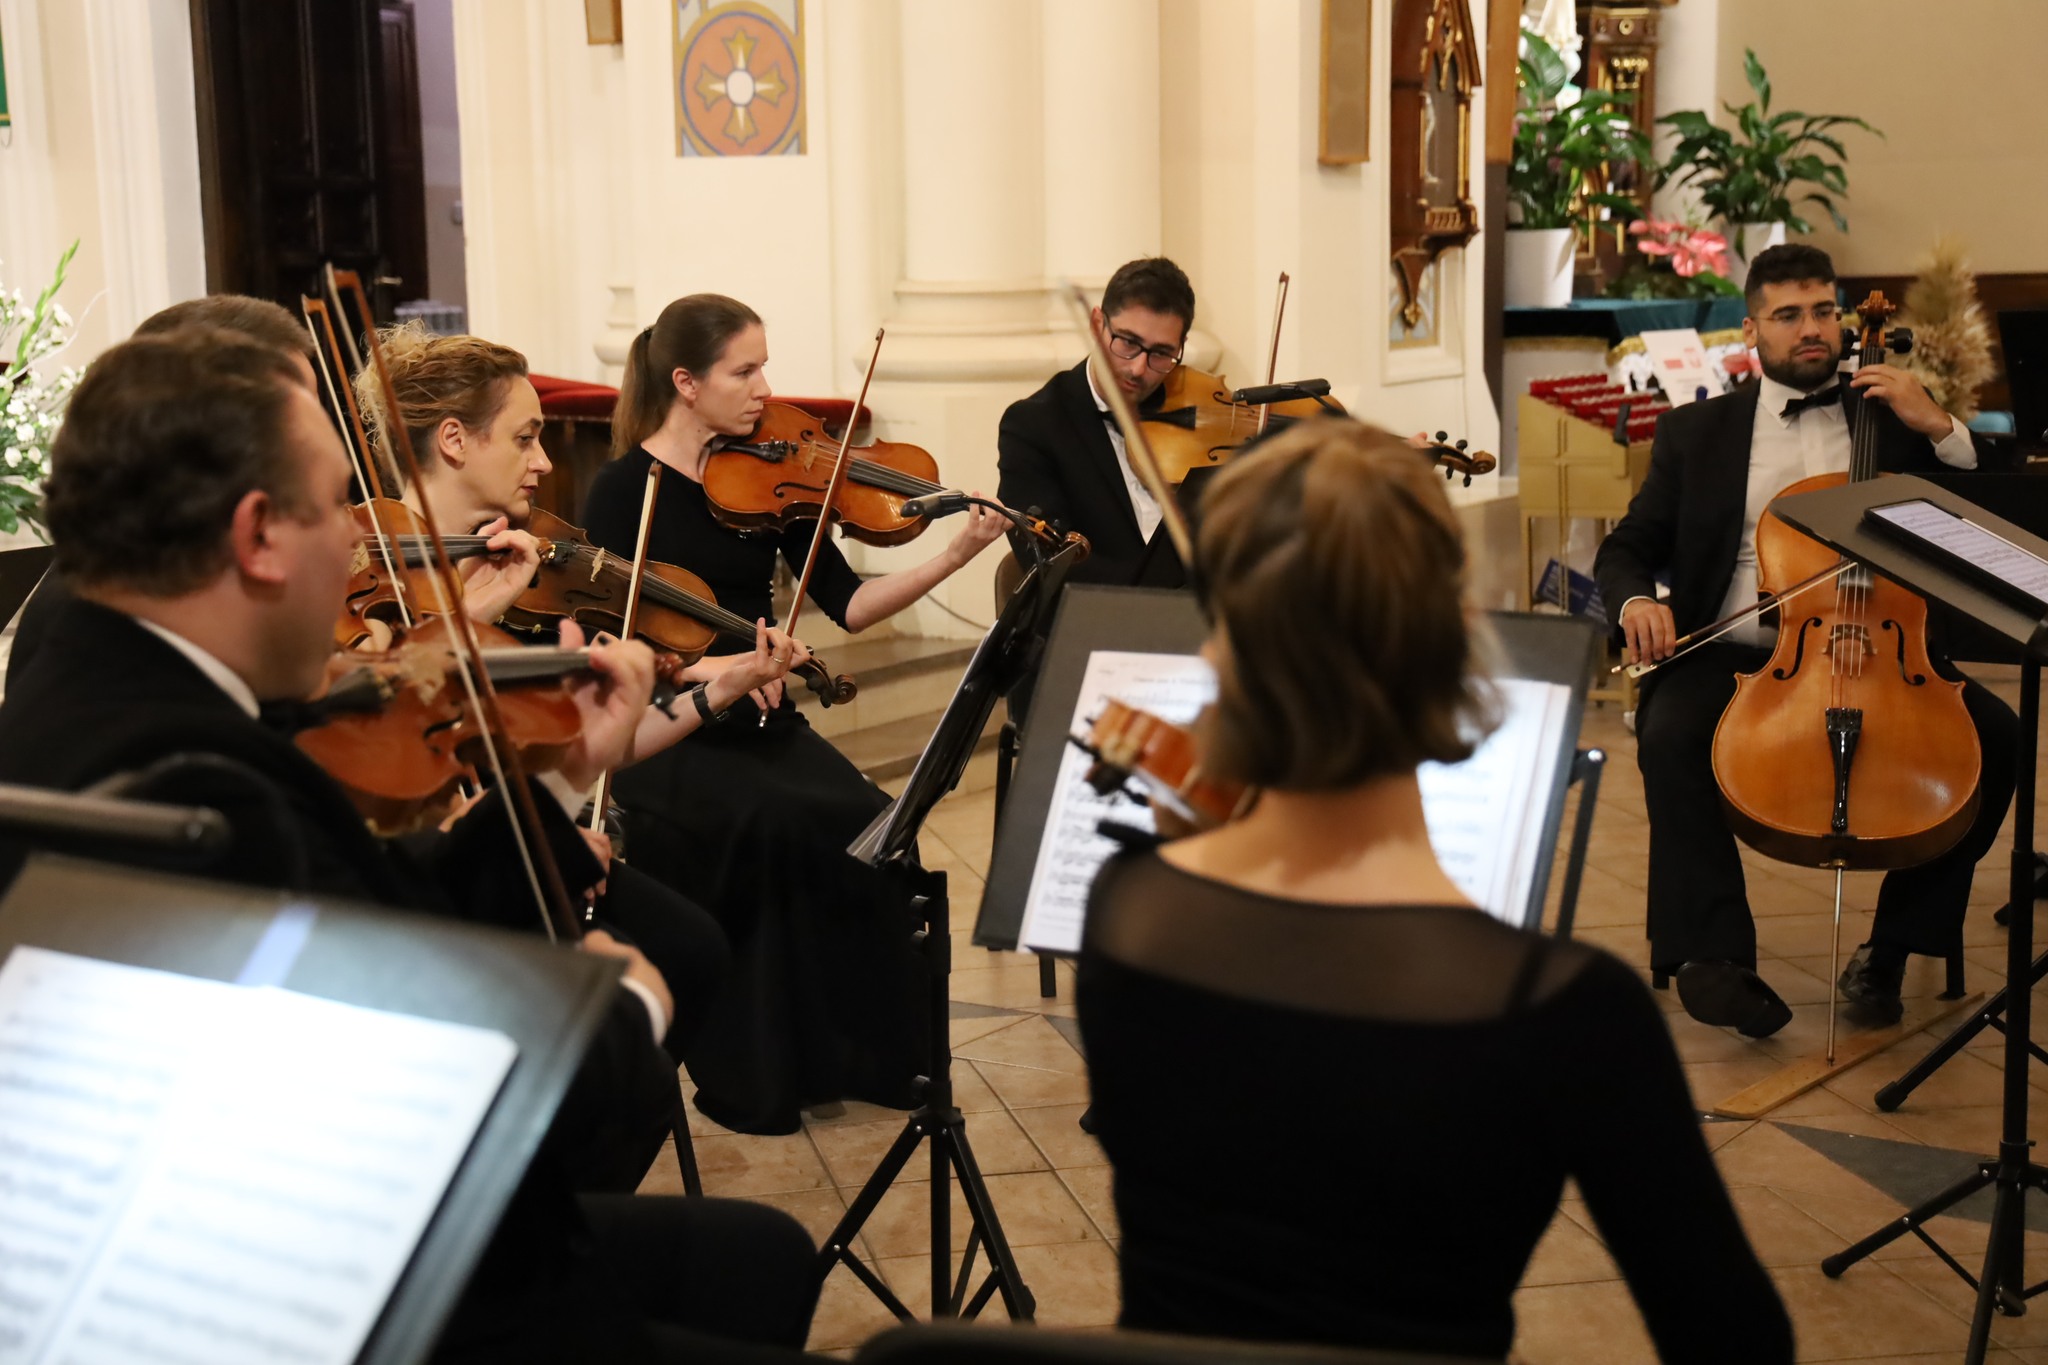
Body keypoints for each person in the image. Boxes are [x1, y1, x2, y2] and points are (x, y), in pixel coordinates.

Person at [0, 326, 820, 1362]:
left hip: (268, 1226)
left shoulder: (103, 667)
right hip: (301, 1290)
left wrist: (568, 774)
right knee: (751, 1265)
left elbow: (385, 895)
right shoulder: (199, 773)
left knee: (755, 1258)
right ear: (256, 538)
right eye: (337, 504)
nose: (361, 540)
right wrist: (624, 1002)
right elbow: (449, 1064)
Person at [1076, 419, 1791, 1362]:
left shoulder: (1130, 910)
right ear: (1452, 637)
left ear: (1223, 642)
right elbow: (1736, 1343)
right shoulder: (1567, 1012)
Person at [581, 293, 1007, 1135]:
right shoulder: (623, 491)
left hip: (763, 721)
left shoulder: (768, 474)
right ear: (685, 382)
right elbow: (610, 641)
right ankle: (759, 1073)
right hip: (673, 723)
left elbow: (847, 605)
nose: (764, 386)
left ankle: (869, 1056)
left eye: (763, 365)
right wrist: (730, 667)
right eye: (744, 369)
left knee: (870, 824)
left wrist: (955, 551)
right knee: (767, 826)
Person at [350, 321, 809, 1072]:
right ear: (457, 441)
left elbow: (600, 749)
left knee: (694, 950)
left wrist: (722, 686)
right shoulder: (382, 593)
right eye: (526, 438)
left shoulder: (531, 578)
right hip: (441, 878)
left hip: (533, 847)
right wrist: (471, 620)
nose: (542, 460)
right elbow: (387, 739)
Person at [1593, 243, 2018, 1038]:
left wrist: (1944, 426)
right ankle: (1713, 956)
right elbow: (1627, 546)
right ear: (1752, 328)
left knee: (1997, 741)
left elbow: (1992, 515)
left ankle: (1892, 949)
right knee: (1669, 729)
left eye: (1824, 309)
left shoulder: (1894, 423)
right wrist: (1635, 603)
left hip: (1890, 650)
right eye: (1788, 315)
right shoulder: (1696, 434)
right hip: (1734, 650)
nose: (1811, 329)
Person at [997, 256, 1196, 589]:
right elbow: (1051, 565)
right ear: (1096, 324)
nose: (1138, 369)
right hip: (1091, 623)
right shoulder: (1032, 426)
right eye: (1128, 343)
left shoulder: (1195, 410)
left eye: (1161, 353)